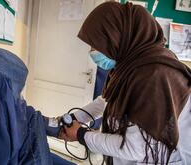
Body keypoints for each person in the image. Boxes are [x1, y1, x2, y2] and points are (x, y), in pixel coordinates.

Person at [60, 2, 191, 165]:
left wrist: (81, 134)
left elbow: (134, 148)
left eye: (98, 44)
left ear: (118, 37)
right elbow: (106, 102)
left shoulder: (156, 76)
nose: (93, 51)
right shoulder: (129, 67)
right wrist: (74, 117)